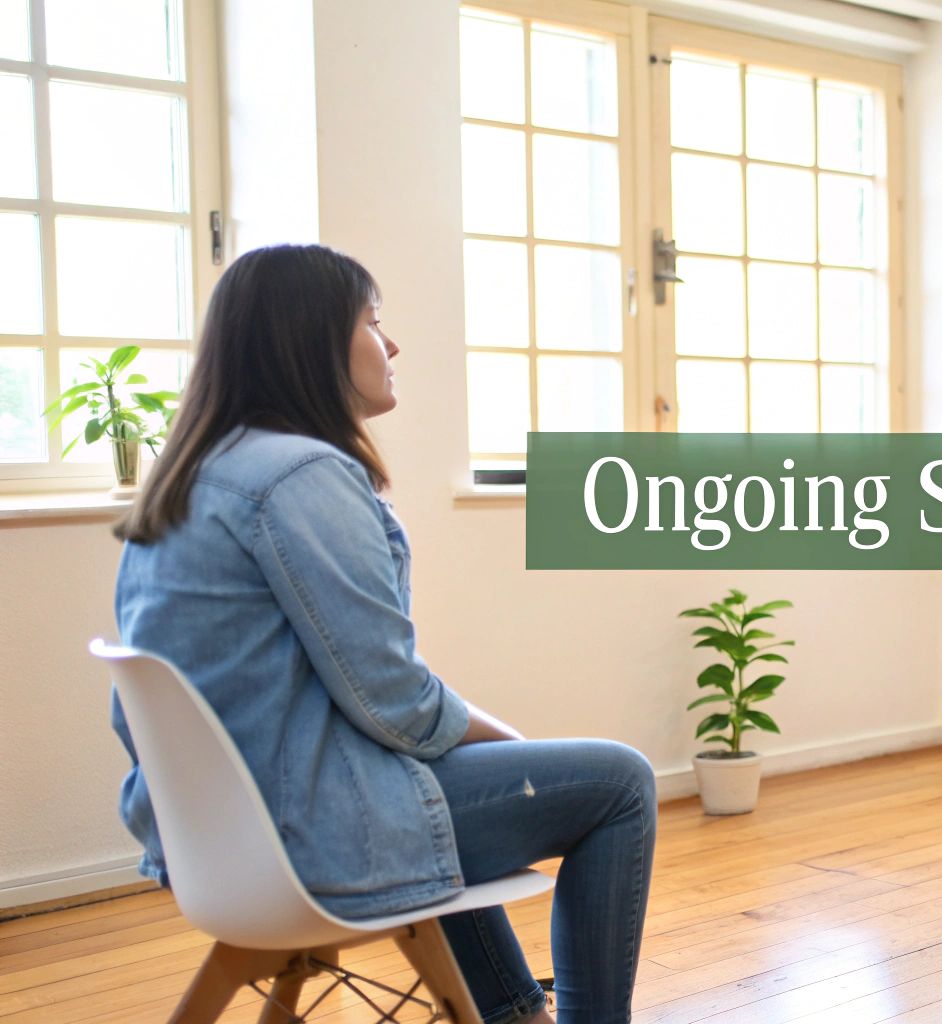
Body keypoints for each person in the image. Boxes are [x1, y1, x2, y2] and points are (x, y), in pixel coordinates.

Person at [109, 245, 655, 1024]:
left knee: (429, 776)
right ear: (312, 343)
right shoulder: (300, 477)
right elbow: (394, 702)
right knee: (619, 783)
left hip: (212, 839)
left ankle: (512, 1012)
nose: (392, 346)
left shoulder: (191, 474)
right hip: (310, 835)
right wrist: (503, 739)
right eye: (373, 322)